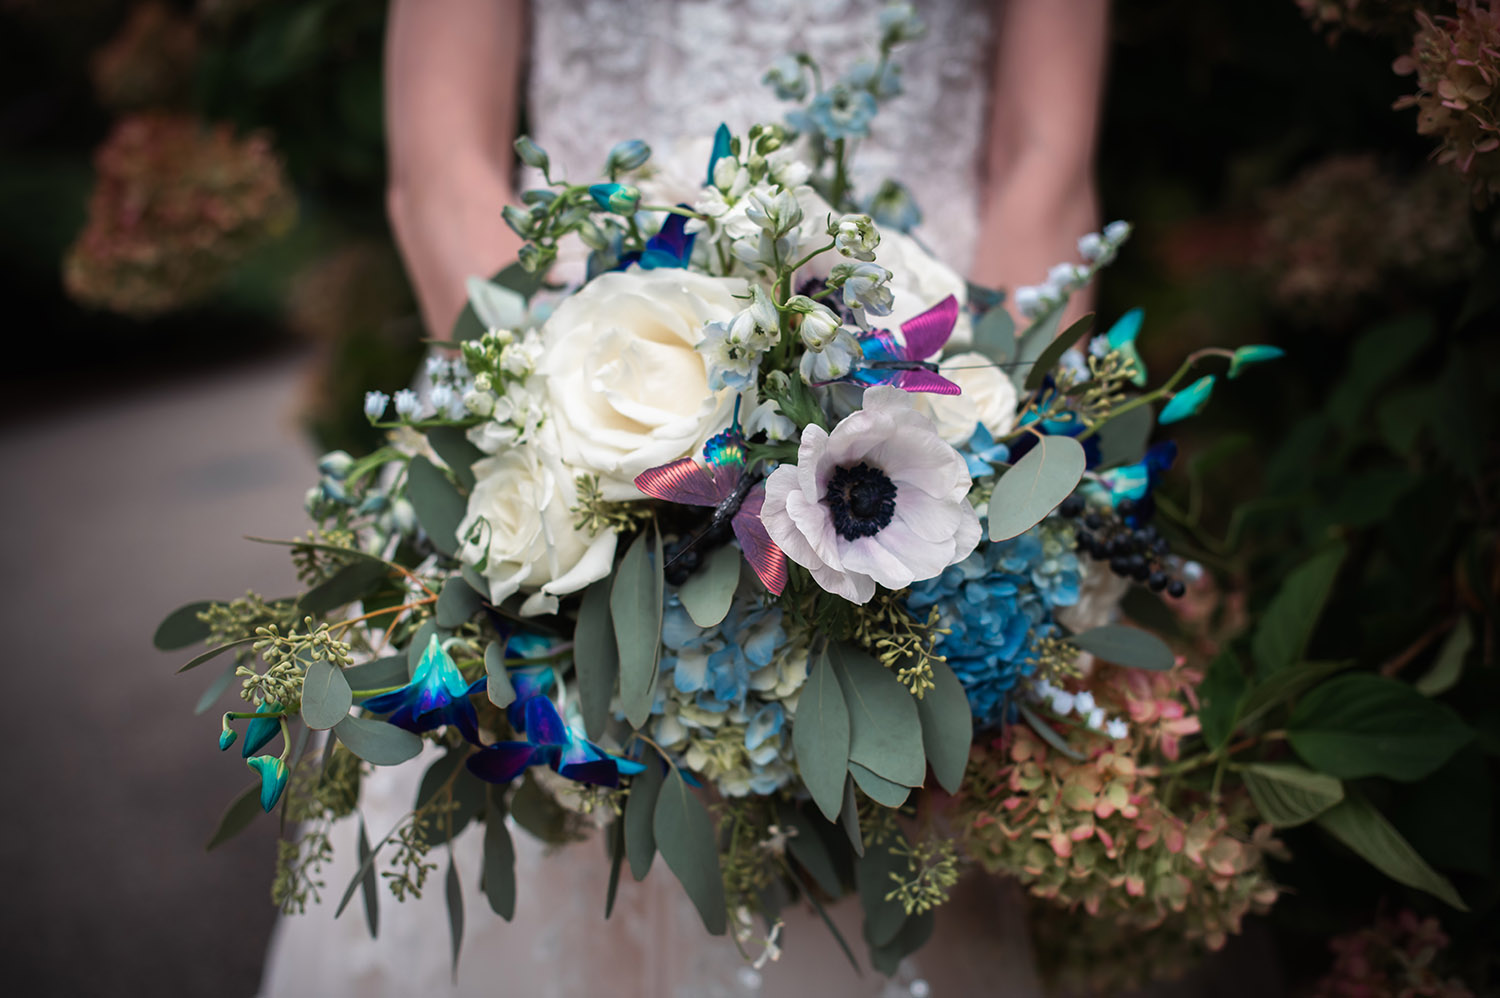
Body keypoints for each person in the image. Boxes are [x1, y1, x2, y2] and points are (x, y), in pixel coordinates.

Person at [260, 2, 1110, 994]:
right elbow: (441, 168)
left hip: (925, 390)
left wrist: (980, 502)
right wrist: (565, 474)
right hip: (571, 373)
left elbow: (1043, 167)